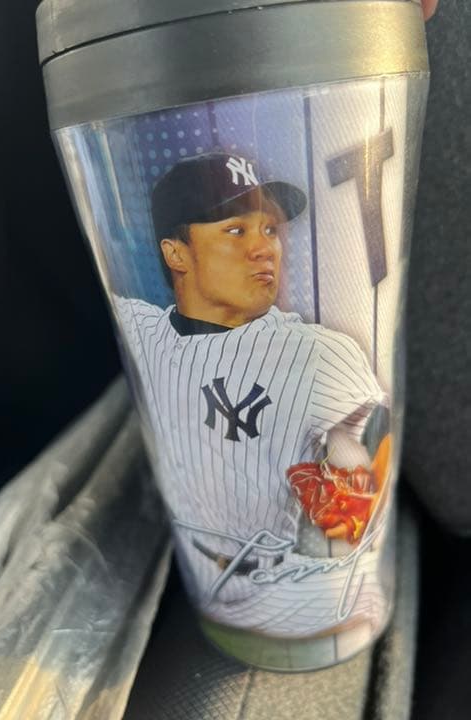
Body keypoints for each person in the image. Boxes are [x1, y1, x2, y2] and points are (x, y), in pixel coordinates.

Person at [112, 152, 391, 639]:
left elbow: (360, 452)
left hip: (277, 588)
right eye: (236, 230)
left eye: (270, 229)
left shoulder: (313, 353)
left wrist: (353, 484)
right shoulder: (143, 329)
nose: (265, 248)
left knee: (366, 601)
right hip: (182, 572)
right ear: (176, 254)